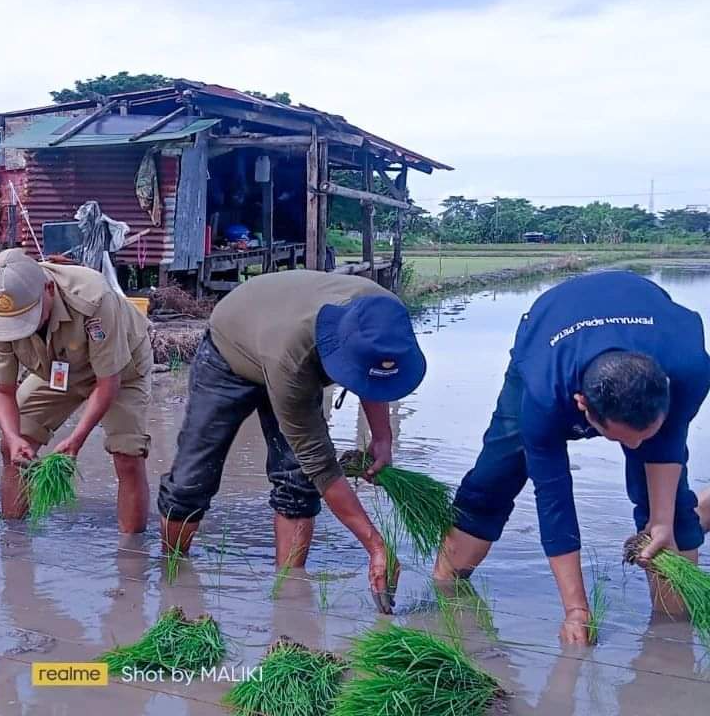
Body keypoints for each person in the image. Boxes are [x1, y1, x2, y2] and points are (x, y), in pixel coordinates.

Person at [434, 271, 710, 644]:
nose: (634, 450)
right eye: (623, 440)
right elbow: (554, 501)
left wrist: (660, 522)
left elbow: (669, 440)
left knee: (672, 515)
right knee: (494, 478)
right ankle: (445, 587)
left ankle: (671, 634)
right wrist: (576, 610)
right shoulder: (545, 394)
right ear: (583, 408)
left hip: (648, 324)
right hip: (549, 332)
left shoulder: (689, 370)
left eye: (643, 438)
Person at [158, 269, 426, 613]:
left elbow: (372, 375)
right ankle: (173, 580)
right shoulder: (295, 357)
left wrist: (383, 437)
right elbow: (322, 466)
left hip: (286, 336)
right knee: (192, 480)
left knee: (297, 483)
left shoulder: (385, 317)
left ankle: (289, 598)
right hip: (233, 348)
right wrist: (375, 545)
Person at [0, 248, 152, 532]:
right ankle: (14, 545)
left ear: (49, 289)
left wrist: (76, 440)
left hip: (120, 370)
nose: (21, 329)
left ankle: (131, 558)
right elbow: (1, 390)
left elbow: (108, 383)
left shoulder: (93, 298)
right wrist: (13, 436)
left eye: (29, 317)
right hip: (56, 370)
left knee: (127, 454)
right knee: (12, 449)